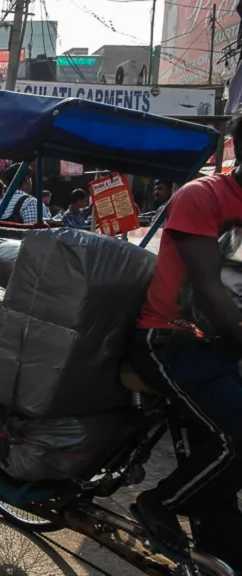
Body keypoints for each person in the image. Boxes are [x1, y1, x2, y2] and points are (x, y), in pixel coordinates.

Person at [128, 126, 242, 570]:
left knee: (216, 454)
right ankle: (159, 503)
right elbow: (209, 290)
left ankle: (220, 549)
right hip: (170, 337)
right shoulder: (204, 195)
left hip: (219, 346)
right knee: (236, 440)